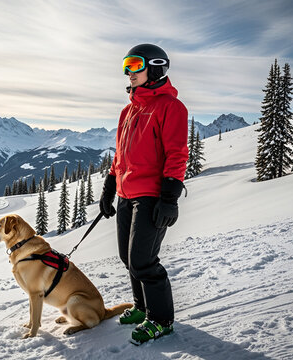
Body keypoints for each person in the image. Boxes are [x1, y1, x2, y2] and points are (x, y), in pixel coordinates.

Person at [99, 43, 188, 344]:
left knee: (144, 261)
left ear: (156, 66)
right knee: (128, 257)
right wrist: (110, 188)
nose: (128, 71)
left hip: (151, 195)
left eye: (135, 64)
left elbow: (176, 154)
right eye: (126, 65)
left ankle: (161, 320)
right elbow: (120, 155)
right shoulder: (128, 110)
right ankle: (142, 306)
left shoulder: (171, 107)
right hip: (126, 193)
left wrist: (169, 198)